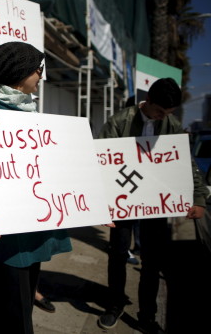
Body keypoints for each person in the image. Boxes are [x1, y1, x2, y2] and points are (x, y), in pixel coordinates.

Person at [0, 42, 72, 334]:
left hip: (31, 227)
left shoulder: (29, 109)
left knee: (22, 301)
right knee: (9, 312)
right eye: (38, 69)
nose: (41, 76)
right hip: (0, 233)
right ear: (20, 71)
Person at [96, 78, 209, 334]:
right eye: (159, 112)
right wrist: (102, 204)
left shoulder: (173, 126)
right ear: (148, 101)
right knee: (118, 254)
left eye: (167, 114)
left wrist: (198, 198)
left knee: (152, 262)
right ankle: (114, 305)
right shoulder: (119, 122)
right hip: (123, 203)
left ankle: (147, 315)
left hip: (157, 206)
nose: (162, 118)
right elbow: (100, 163)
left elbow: (186, 164)